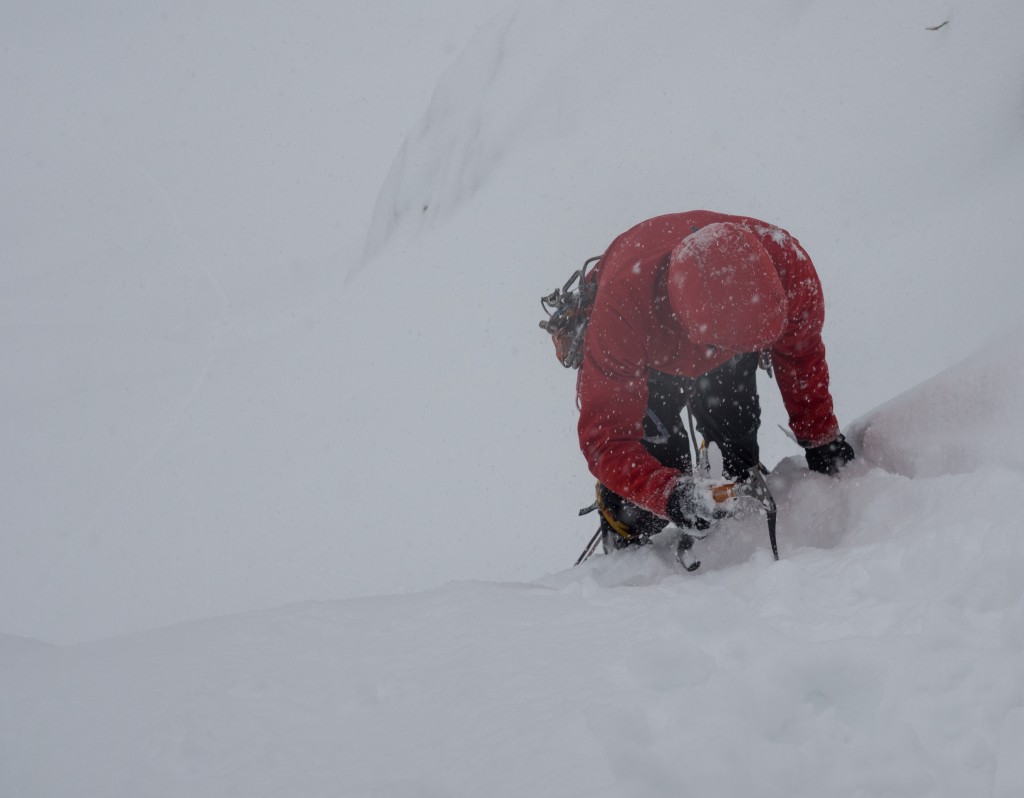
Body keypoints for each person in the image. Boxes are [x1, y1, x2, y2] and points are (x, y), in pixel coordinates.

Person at [575, 210, 854, 552]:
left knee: (738, 459)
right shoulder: (622, 313)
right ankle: (630, 554)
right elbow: (607, 438)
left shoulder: (787, 267)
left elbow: (800, 354)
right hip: (649, 357)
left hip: (719, 336)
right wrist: (669, 495)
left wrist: (820, 438)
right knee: (647, 493)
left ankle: (722, 530)